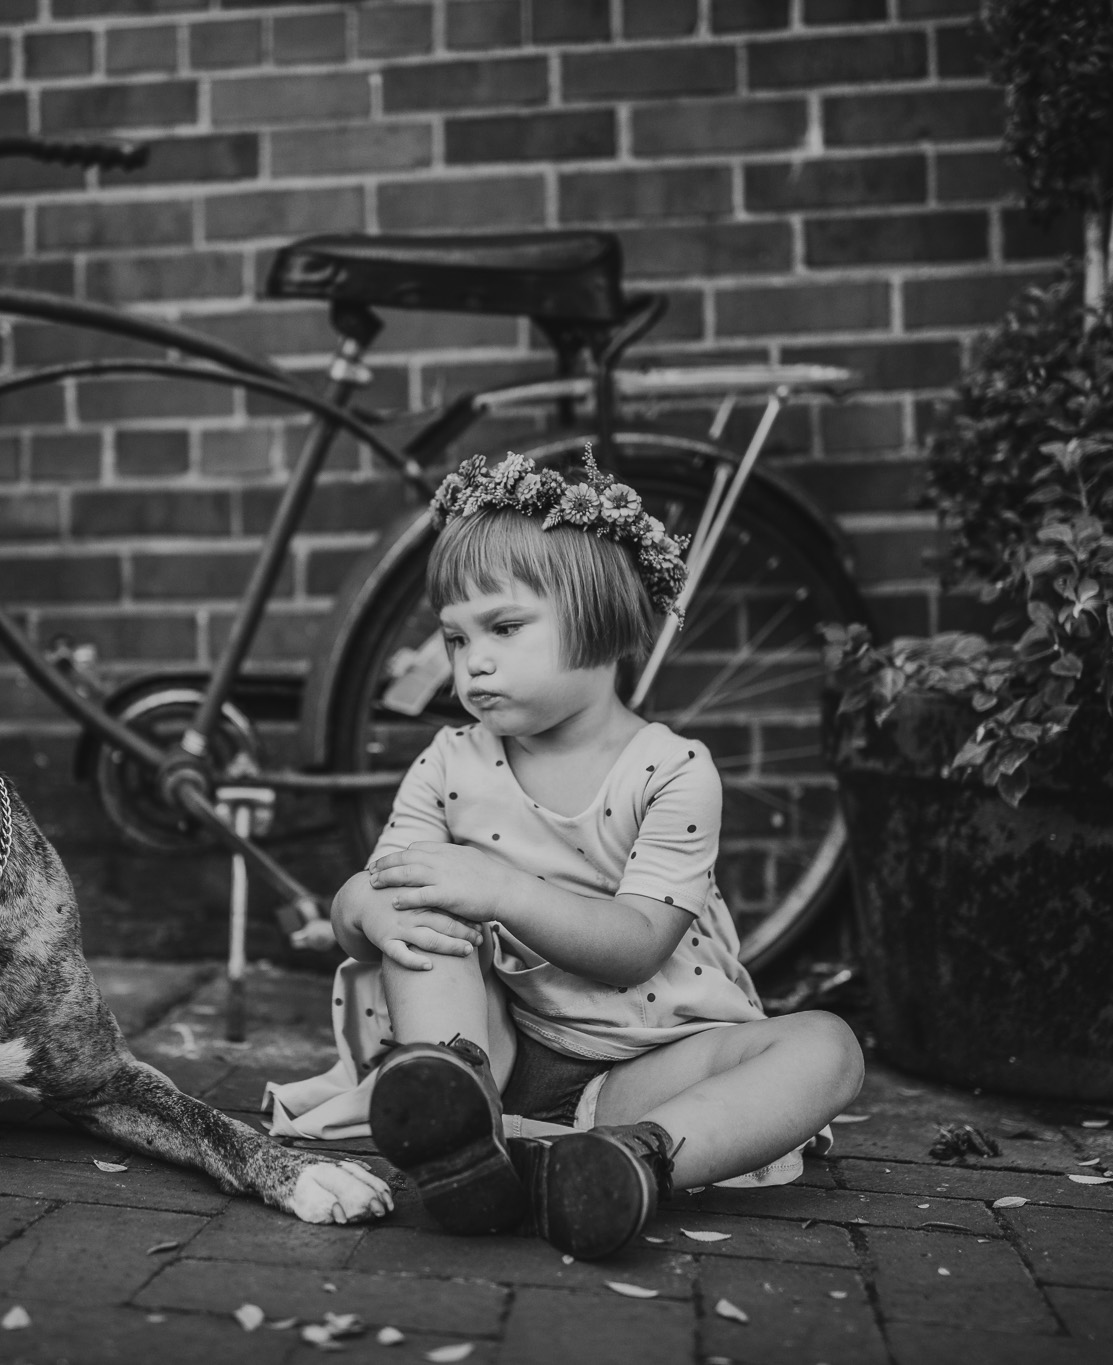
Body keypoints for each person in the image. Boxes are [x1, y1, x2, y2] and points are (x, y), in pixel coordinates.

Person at [265, 451, 863, 1260]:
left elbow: (635, 948)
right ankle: (459, 1119)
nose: (470, 661)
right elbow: (374, 896)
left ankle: (633, 1160)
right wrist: (361, 909)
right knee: (417, 900)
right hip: (497, 1043)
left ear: (602, 620)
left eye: (504, 628)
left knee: (826, 1047)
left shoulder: (673, 770)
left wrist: (504, 888)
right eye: (454, 636)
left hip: (645, 1064)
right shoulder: (450, 761)